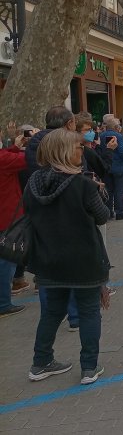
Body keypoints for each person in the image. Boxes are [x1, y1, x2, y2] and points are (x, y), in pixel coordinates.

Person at [24, 128, 111, 385]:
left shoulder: (34, 183)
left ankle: (40, 362)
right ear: (63, 151)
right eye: (78, 147)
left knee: (51, 313)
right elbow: (102, 216)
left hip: (48, 258)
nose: (81, 151)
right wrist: (98, 191)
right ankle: (88, 367)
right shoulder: (82, 183)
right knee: (88, 311)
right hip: (83, 258)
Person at [0, 126, 28, 317]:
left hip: (6, 214)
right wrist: (36, 142)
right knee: (7, 260)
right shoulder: (4, 160)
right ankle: (3, 303)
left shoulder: (4, 157)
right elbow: (28, 160)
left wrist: (15, 146)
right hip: (7, 216)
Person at [99, 118, 123, 220]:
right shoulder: (118, 136)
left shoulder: (101, 135)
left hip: (107, 166)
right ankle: (120, 212)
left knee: (109, 190)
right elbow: (122, 151)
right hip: (120, 167)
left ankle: (109, 212)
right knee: (119, 190)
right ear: (116, 127)